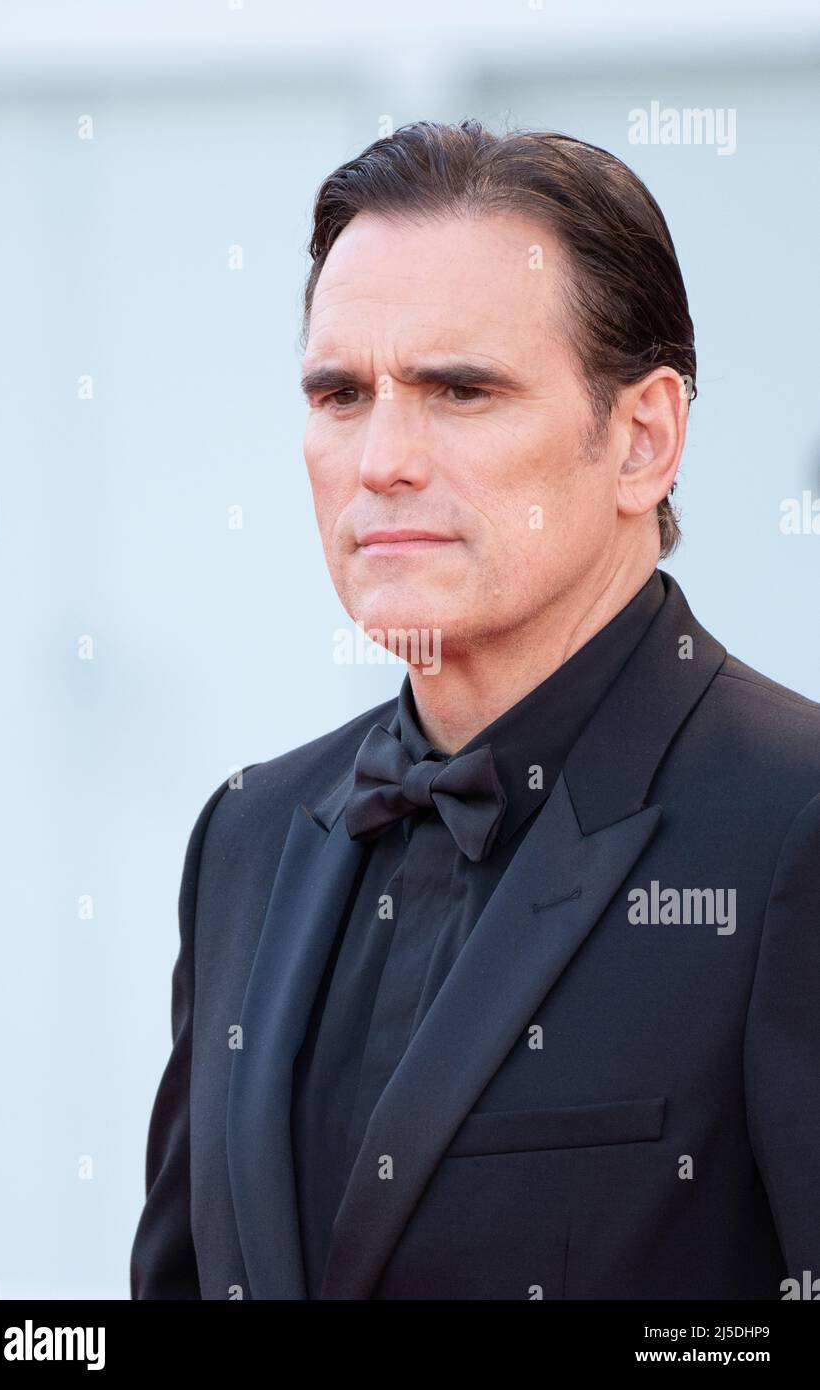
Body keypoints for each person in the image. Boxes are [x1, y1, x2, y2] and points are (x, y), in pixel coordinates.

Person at [130, 120, 820, 1300]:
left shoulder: (791, 824)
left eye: (459, 389)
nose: (381, 458)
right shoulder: (245, 835)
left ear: (642, 439)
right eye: (340, 393)